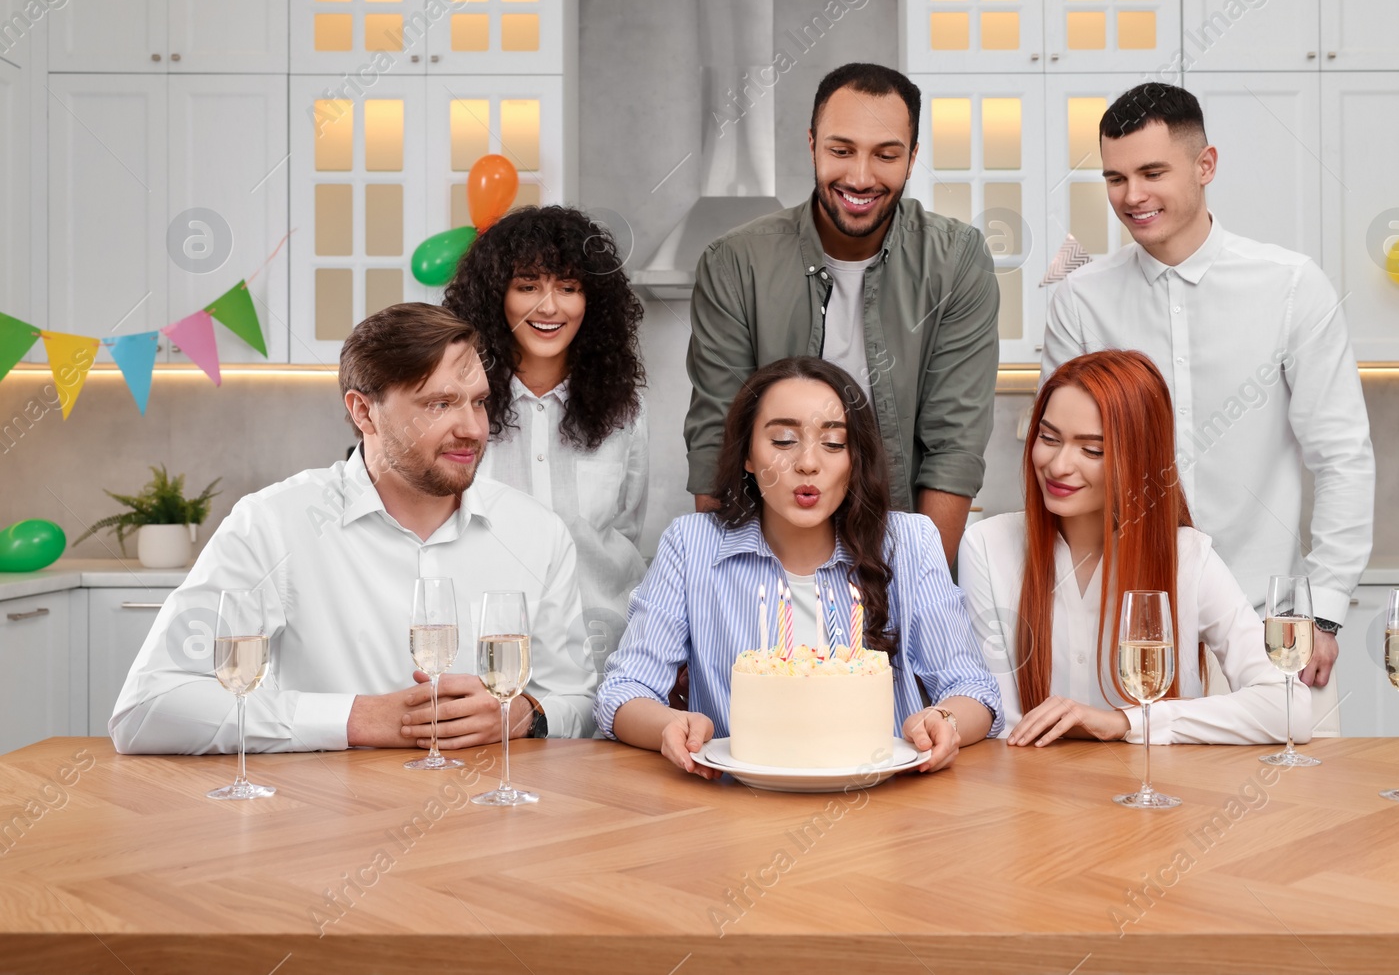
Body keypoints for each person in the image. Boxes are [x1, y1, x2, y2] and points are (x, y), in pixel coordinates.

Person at [110, 303, 596, 754]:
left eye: (478, 402)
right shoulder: (273, 524)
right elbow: (148, 707)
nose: (472, 428)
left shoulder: (537, 533)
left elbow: (575, 697)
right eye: (440, 404)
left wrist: (525, 716)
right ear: (364, 412)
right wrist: (353, 717)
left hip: (490, 818)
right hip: (327, 822)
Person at [1040, 83, 1373, 733]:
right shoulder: (1078, 300)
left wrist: (1324, 611)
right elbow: (1063, 466)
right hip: (1129, 634)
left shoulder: (1291, 286)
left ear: (1205, 165)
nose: (1132, 196)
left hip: (1270, 632)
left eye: (1152, 172)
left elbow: (1341, 457)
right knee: (1124, 826)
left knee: (1296, 825)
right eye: (1115, 177)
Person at [600, 356, 1002, 776]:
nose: (808, 463)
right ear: (747, 456)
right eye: (784, 440)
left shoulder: (908, 543)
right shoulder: (691, 545)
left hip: (885, 806)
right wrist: (670, 725)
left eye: (833, 444)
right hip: (734, 806)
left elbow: (972, 688)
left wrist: (946, 721)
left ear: (855, 458)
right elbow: (623, 691)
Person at [684, 62, 1000, 565]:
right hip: (769, 550)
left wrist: (920, 589)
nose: (860, 176)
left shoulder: (957, 260)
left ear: (913, 158)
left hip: (898, 546)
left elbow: (953, 447)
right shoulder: (735, 262)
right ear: (811, 144)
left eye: (886, 155)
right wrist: (733, 582)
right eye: (841, 150)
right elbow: (717, 440)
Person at [959, 350, 1308, 745]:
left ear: (1138, 459)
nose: (1057, 466)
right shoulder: (987, 547)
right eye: (1048, 438)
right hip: (1034, 797)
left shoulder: (1187, 558)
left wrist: (1128, 722)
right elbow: (999, 723)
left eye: (1091, 450)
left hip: (1158, 798)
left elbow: (1289, 707)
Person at [443, 205, 648, 675]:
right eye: (528, 286)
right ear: (497, 296)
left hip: (600, 654)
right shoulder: (456, 408)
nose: (549, 306)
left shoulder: (626, 410)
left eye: (569, 288)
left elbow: (625, 534)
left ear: (591, 302)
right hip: (486, 654)